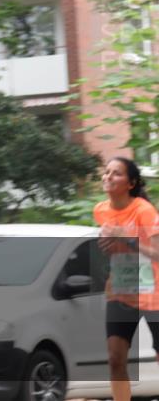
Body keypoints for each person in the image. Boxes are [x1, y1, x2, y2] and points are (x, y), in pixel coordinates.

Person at [95, 156, 159, 401]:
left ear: (130, 183)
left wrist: (127, 237)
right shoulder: (100, 210)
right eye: (106, 171)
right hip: (122, 290)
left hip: (154, 291)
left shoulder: (144, 210)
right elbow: (114, 249)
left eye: (117, 173)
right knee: (115, 359)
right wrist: (107, 246)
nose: (109, 176)